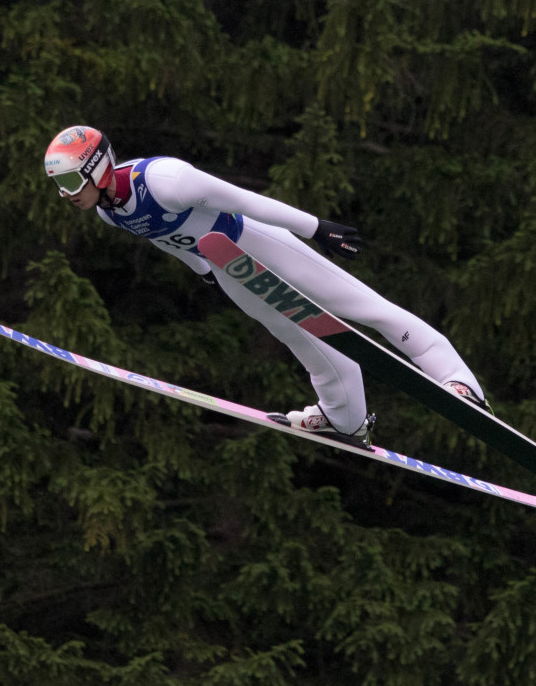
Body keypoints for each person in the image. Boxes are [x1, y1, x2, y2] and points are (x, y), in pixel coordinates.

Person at [44, 125, 489, 448]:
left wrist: (316, 228)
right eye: (58, 186)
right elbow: (166, 240)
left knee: (362, 307)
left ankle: (459, 382)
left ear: (98, 169)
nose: (66, 194)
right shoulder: (108, 212)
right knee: (300, 337)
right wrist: (203, 272)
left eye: (68, 181)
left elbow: (246, 201)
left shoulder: (165, 180)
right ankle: (346, 419)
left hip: (257, 241)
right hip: (229, 268)